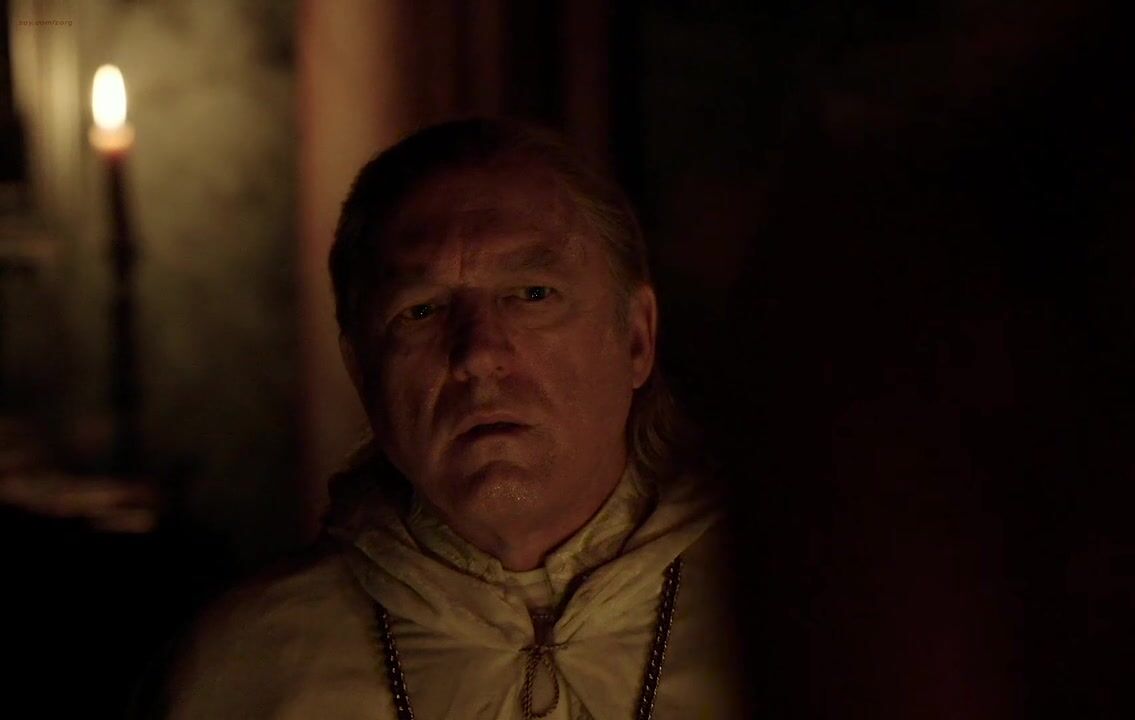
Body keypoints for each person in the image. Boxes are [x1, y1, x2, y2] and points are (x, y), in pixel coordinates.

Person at [164, 119, 742, 719]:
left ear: (637, 339)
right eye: (421, 310)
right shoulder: (249, 670)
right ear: (362, 370)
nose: (478, 354)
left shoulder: (774, 625)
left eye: (532, 294)